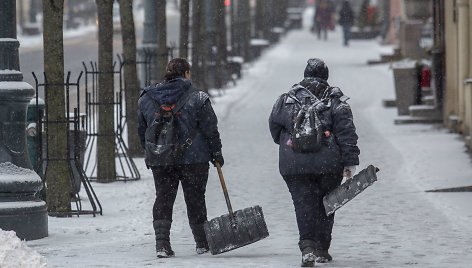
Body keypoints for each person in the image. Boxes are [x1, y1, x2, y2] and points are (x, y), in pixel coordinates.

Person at [269, 58, 360, 267]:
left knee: (303, 204)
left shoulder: (287, 99)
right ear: (325, 77)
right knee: (327, 203)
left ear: (305, 75)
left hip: (294, 164)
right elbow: (347, 133)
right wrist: (349, 162)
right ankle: (322, 248)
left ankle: (307, 246)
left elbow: (274, 127)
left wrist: (288, 143)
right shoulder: (336, 101)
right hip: (328, 164)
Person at [138, 58, 224, 258]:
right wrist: (216, 152)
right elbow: (210, 128)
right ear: (186, 73)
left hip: (162, 159)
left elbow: (142, 130)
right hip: (194, 159)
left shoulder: (147, 98)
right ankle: (202, 243)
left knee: (163, 198)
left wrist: (153, 151)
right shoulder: (198, 97)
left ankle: (162, 244)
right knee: (195, 199)